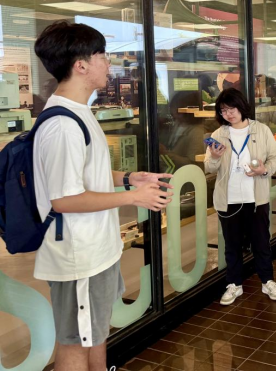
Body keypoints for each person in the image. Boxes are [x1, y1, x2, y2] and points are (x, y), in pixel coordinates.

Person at [32, 21, 173, 371]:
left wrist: (129, 179)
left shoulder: (80, 112)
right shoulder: (62, 125)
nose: (109, 63)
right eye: (103, 56)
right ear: (81, 65)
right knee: (75, 343)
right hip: (77, 255)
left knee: (94, 332)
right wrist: (134, 198)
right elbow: (64, 200)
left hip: (95, 250)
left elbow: (84, 176)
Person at [204, 88, 276, 306]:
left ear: (241, 106)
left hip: (256, 198)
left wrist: (265, 170)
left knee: (261, 243)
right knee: (232, 245)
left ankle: (267, 281)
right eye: (223, 111)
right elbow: (209, 167)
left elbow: (275, 156)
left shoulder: (260, 130)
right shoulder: (218, 135)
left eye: (232, 109)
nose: (228, 114)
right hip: (229, 199)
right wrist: (214, 156)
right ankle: (234, 284)